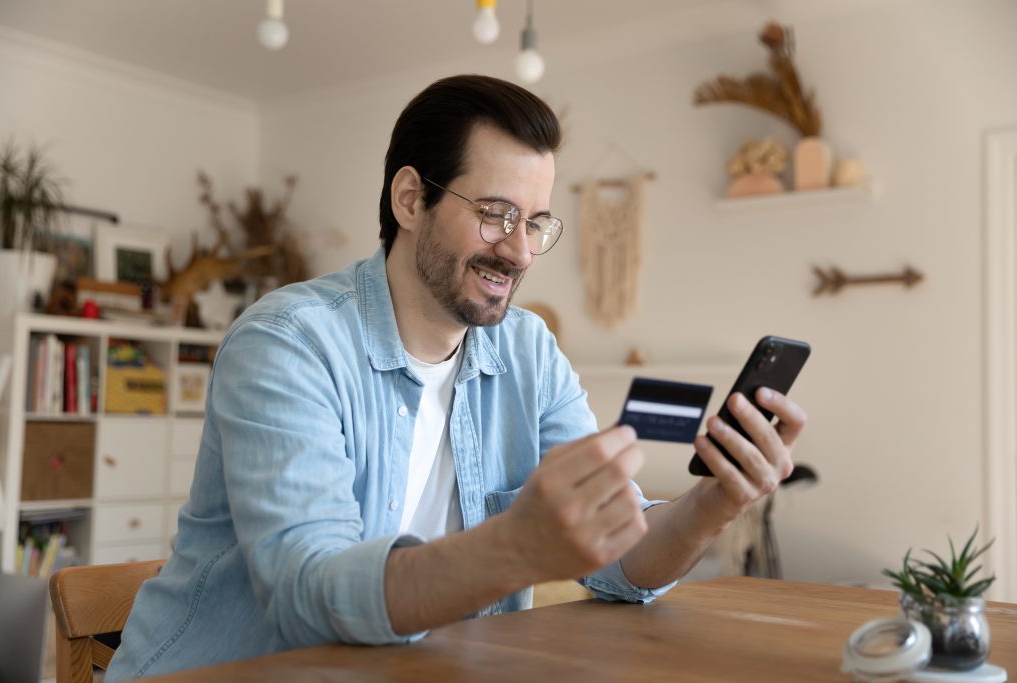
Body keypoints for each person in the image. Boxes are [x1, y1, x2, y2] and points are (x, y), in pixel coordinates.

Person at [106, 74, 806, 681]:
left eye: (536, 222)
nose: (521, 250)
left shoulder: (529, 351)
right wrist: (514, 547)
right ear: (410, 199)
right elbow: (306, 596)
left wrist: (712, 502)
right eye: (497, 214)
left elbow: (620, 561)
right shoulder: (288, 343)